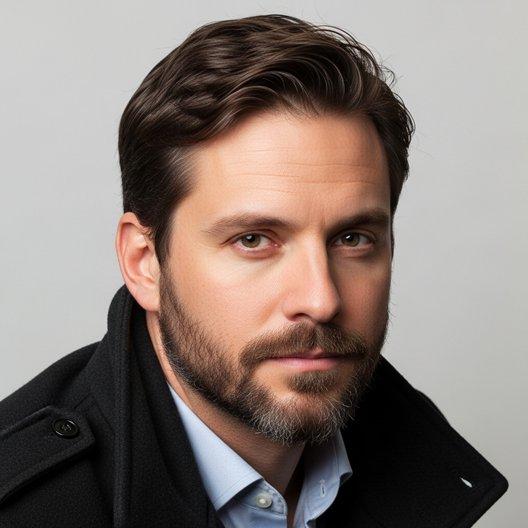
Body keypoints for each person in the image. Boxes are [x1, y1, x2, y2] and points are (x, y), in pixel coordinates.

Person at [0, 14, 507, 528]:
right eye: (253, 240)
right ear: (145, 262)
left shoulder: (418, 464)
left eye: (352, 239)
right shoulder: (25, 507)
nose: (320, 299)